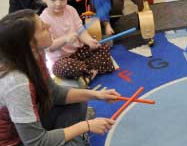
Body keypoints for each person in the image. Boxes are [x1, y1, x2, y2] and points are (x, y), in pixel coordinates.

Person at [0, 9, 119, 146]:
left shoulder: (34, 55)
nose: (49, 26)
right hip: (17, 141)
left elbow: (54, 93)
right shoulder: (17, 84)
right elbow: (36, 142)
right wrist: (86, 126)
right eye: (43, 28)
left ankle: (70, 138)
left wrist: (97, 95)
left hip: (29, 126)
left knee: (79, 101)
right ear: (30, 45)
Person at [39, 0, 115, 87]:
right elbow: (49, 47)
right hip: (61, 60)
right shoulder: (43, 20)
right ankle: (91, 70)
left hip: (78, 51)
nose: (58, 3)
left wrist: (89, 41)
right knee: (64, 67)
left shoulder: (71, 10)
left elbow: (81, 30)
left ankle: (86, 73)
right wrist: (65, 39)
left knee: (102, 47)